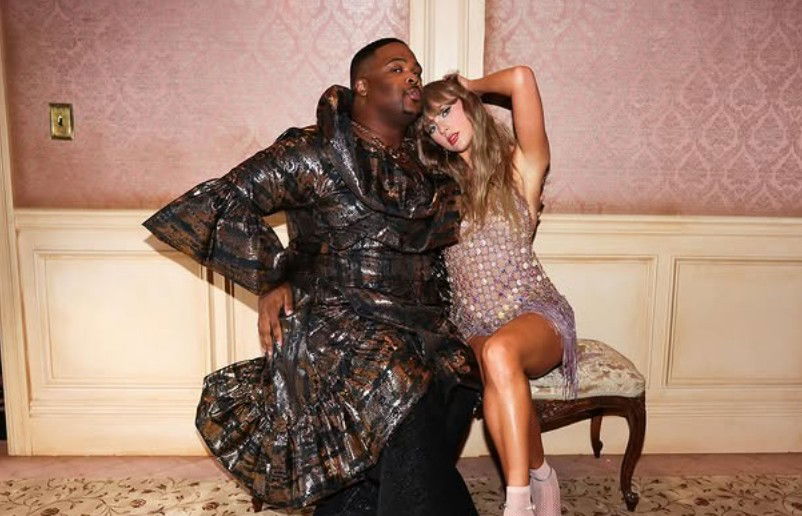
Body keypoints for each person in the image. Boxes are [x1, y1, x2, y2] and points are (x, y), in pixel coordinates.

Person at [143, 39, 481, 515]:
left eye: (417, 71)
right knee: (399, 382)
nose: (413, 77)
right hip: (337, 320)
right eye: (397, 68)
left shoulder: (425, 164)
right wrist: (272, 276)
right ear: (362, 86)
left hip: (419, 324)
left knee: (457, 373)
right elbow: (221, 201)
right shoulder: (314, 151)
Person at [416, 69, 578, 516]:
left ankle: (517, 504)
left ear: (467, 104)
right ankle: (541, 475)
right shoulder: (441, 189)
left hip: (535, 310)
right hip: (474, 321)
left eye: (446, 111)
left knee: (500, 352)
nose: (442, 128)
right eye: (431, 126)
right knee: (494, 359)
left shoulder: (520, 166)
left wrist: (467, 85)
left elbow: (522, 79)